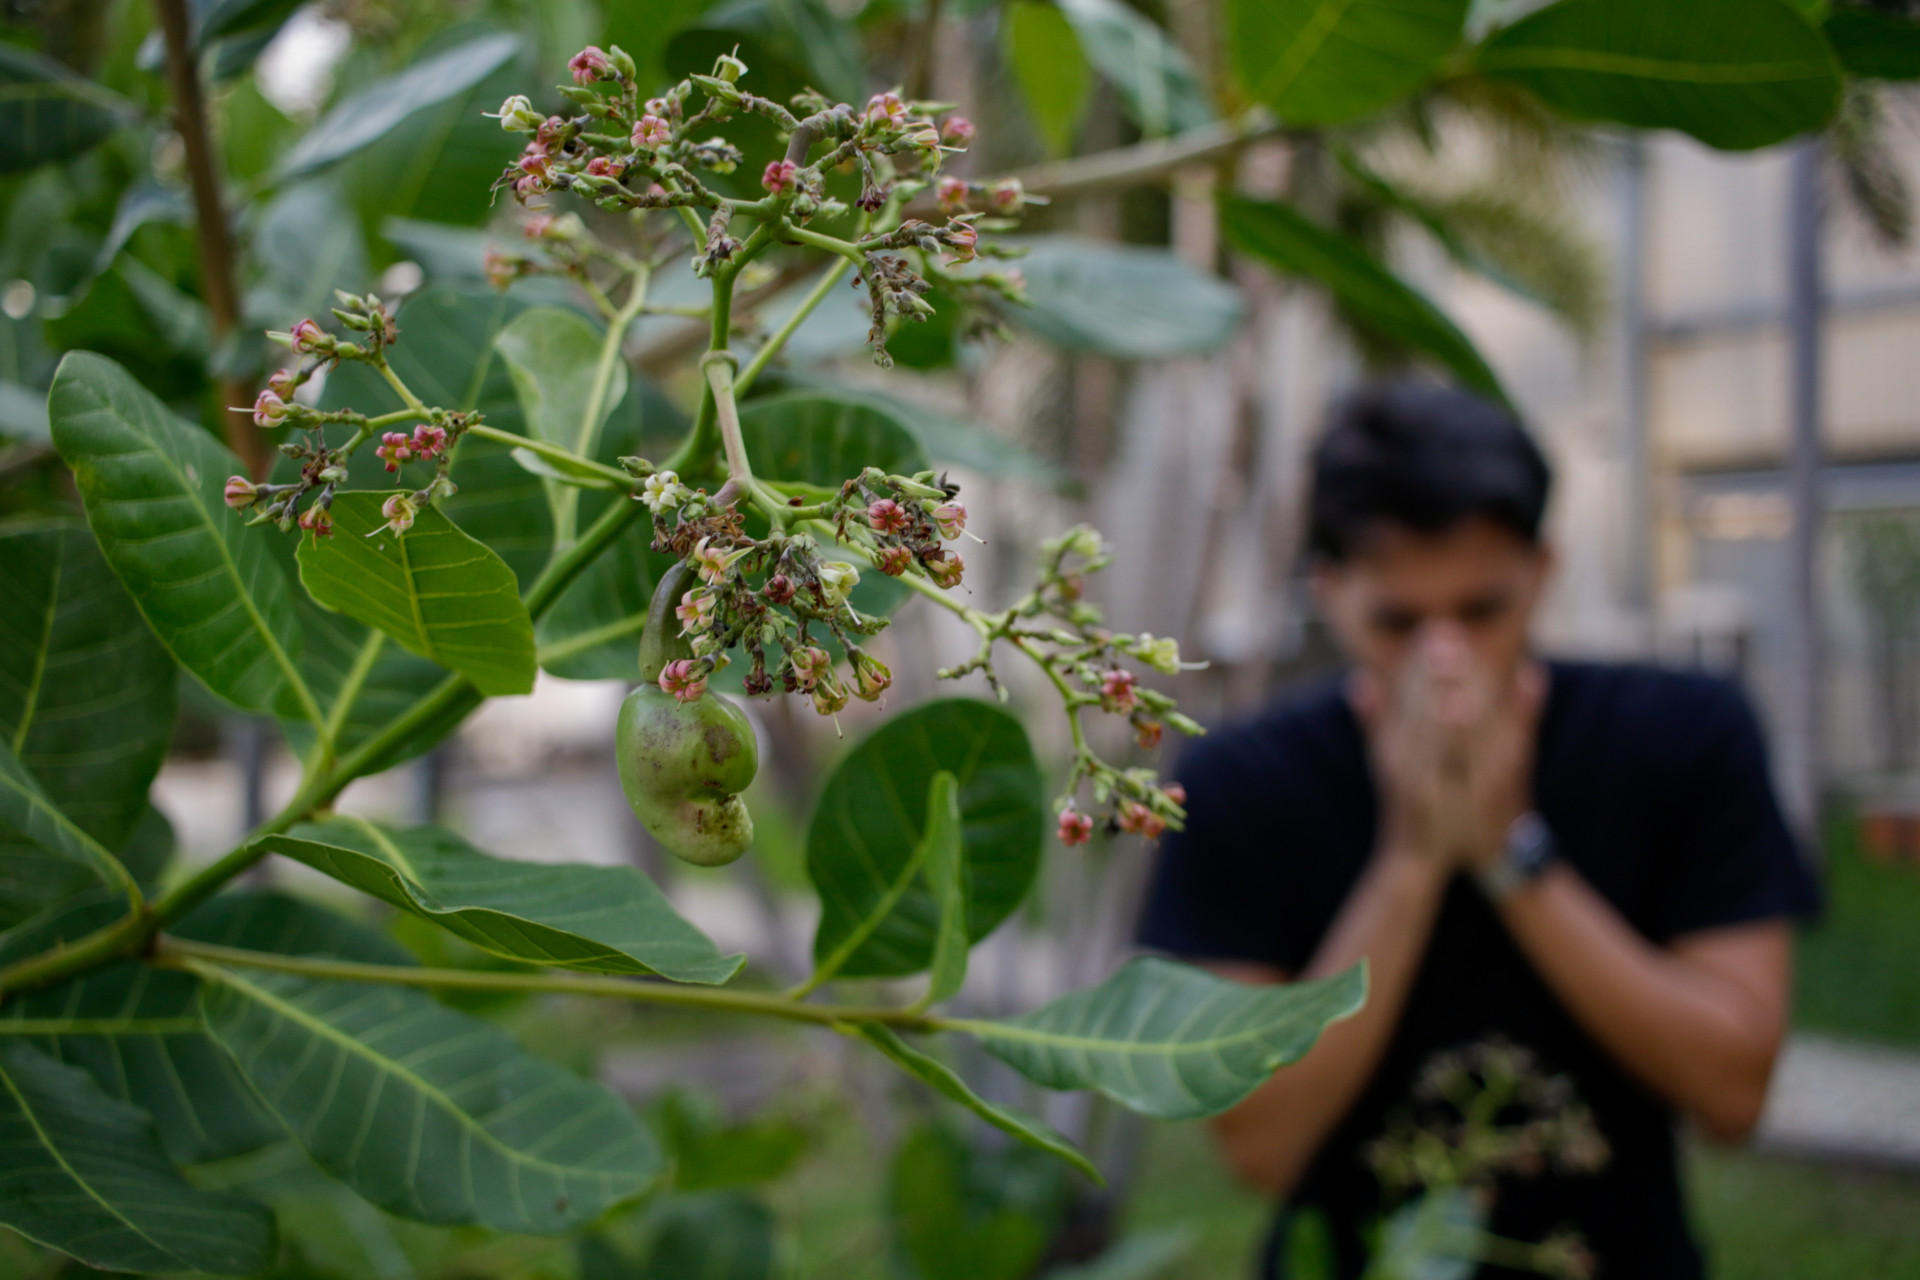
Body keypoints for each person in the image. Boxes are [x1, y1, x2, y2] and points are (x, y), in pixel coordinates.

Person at [1137, 381, 1819, 1279]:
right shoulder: (1243, 781)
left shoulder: (1683, 737)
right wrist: (1412, 859)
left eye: (1481, 611)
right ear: (1330, 593)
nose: (1444, 657)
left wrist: (1512, 849)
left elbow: (1734, 1092)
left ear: (1542, 573)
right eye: (1399, 621)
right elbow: (1260, 1145)